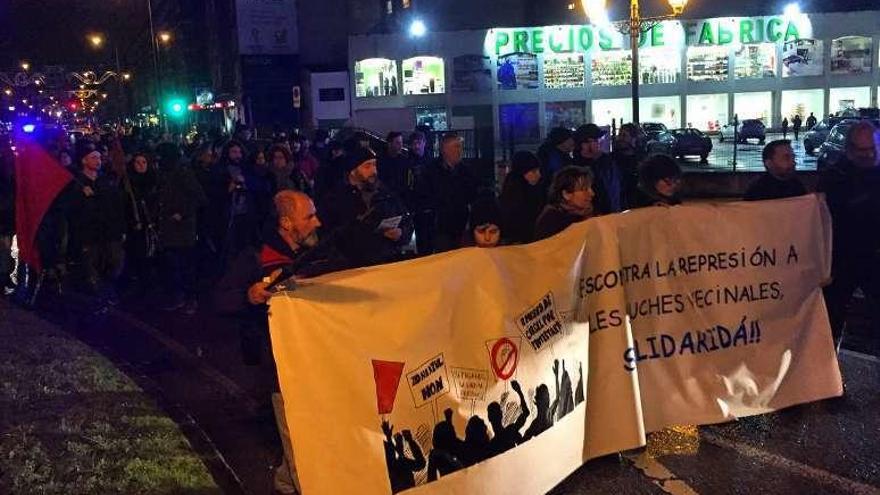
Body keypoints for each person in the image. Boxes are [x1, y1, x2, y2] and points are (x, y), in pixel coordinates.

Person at [214, 190, 327, 495]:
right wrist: (248, 296)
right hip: (281, 369)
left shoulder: (313, 255)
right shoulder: (256, 257)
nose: (318, 222)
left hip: (315, 359)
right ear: (287, 222)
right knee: (303, 446)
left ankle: (285, 485)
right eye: (310, 216)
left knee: (306, 441)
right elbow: (220, 300)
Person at [817, 120, 880, 350]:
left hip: (875, 256)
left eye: (873, 148)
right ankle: (828, 371)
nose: (869, 154)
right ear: (850, 149)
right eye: (863, 150)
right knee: (832, 316)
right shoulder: (836, 176)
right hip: (843, 258)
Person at [319, 148, 413, 268]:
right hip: (352, 269)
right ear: (353, 171)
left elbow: (406, 220)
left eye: (374, 165)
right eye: (367, 166)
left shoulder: (386, 194)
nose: (374, 171)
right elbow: (331, 237)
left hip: (387, 263)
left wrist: (401, 234)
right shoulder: (336, 199)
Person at [69, 146, 127, 304]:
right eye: (94, 158)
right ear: (84, 160)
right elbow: (72, 210)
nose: (98, 161)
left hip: (109, 230)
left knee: (116, 261)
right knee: (92, 264)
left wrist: (121, 228)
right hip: (89, 232)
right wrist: (83, 196)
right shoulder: (77, 183)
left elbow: (117, 205)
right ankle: (100, 294)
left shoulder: (106, 180)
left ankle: (108, 287)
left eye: (99, 158)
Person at [156, 143, 207, 314]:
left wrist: (182, 213)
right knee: (173, 265)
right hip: (169, 226)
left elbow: (199, 196)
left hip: (183, 227)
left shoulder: (182, 172)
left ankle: (190, 298)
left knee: (185, 265)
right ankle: (179, 296)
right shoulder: (166, 172)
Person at [414, 132, 477, 253]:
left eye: (460, 147)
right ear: (445, 150)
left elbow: (472, 192)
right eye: (456, 147)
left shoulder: (465, 170)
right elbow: (425, 196)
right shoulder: (431, 171)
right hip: (440, 226)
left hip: (461, 223)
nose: (460, 151)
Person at [122, 152, 160, 291]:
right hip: (135, 225)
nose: (141, 165)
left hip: (151, 224)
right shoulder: (128, 182)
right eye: (138, 162)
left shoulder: (154, 180)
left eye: (144, 162)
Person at [534, 166, 595, 241]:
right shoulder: (550, 222)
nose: (592, 193)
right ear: (566, 194)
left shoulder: (588, 213)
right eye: (584, 189)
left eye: (590, 188)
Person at [574, 124, 623, 215]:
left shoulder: (607, 161)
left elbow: (614, 190)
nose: (600, 142)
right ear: (584, 144)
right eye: (596, 140)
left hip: (609, 215)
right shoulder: (576, 166)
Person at [499, 151, 546, 244]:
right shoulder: (514, 197)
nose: (538, 175)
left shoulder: (537, 190)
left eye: (538, 170)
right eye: (533, 171)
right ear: (522, 173)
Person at [487, 379, 529, 455]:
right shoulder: (510, 431)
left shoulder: (491, 445)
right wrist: (519, 392)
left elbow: (526, 413)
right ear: (501, 415)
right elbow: (526, 413)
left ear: (489, 418)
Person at [613, 123, 642, 209]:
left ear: (634, 138)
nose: (620, 138)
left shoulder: (641, 159)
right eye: (620, 135)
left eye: (624, 135)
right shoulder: (613, 159)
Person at [378, 131, 412, 197]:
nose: (401, 145)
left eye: (401, 142)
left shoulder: (404, 160)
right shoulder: (380, 160)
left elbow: (407, 180)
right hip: (386, 197)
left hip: (402, 197)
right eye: (397, 143)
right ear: (389, 144)